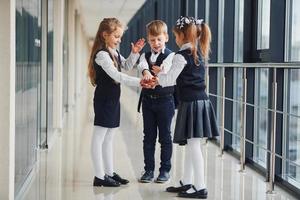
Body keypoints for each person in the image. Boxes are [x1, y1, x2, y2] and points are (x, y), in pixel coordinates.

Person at [142, 16, 219, 199]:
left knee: (193, 147)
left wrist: (158, 77)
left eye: (176, 36)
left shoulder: (181, 56)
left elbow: (169, 81)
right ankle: (187, 182)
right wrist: (164, 73)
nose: (175, 39)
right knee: (192, 145)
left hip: (191, 104)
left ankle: (200, 188)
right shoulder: (197, 51)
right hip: (200, 102)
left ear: (182, 36)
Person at [88, 17, 145, 187]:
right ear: (105, 35)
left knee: (109, 137)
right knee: (99, 137)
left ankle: (109, 172)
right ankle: (99, 176)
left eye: (120, 36)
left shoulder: (113, 52)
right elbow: (117, 75)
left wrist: (134, 52)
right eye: (116, 36)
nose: (119, 40)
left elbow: (126, 66)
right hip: (104, 100)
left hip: (113, 99)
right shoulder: (102, 55)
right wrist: (139, 82)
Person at [137, 20, 175, 183]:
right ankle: (148, 170)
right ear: (148, 40)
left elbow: (167, 70)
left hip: (165, 101)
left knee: (165, 137)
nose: (156, 43)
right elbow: (143, 65)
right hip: (148, 102)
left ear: (166, 37)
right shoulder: (144, 56)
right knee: (148, 137)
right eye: (152, 40)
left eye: (159, 39)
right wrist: (145, 71)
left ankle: (165, 170)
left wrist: (161, 73)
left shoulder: (171, 55)